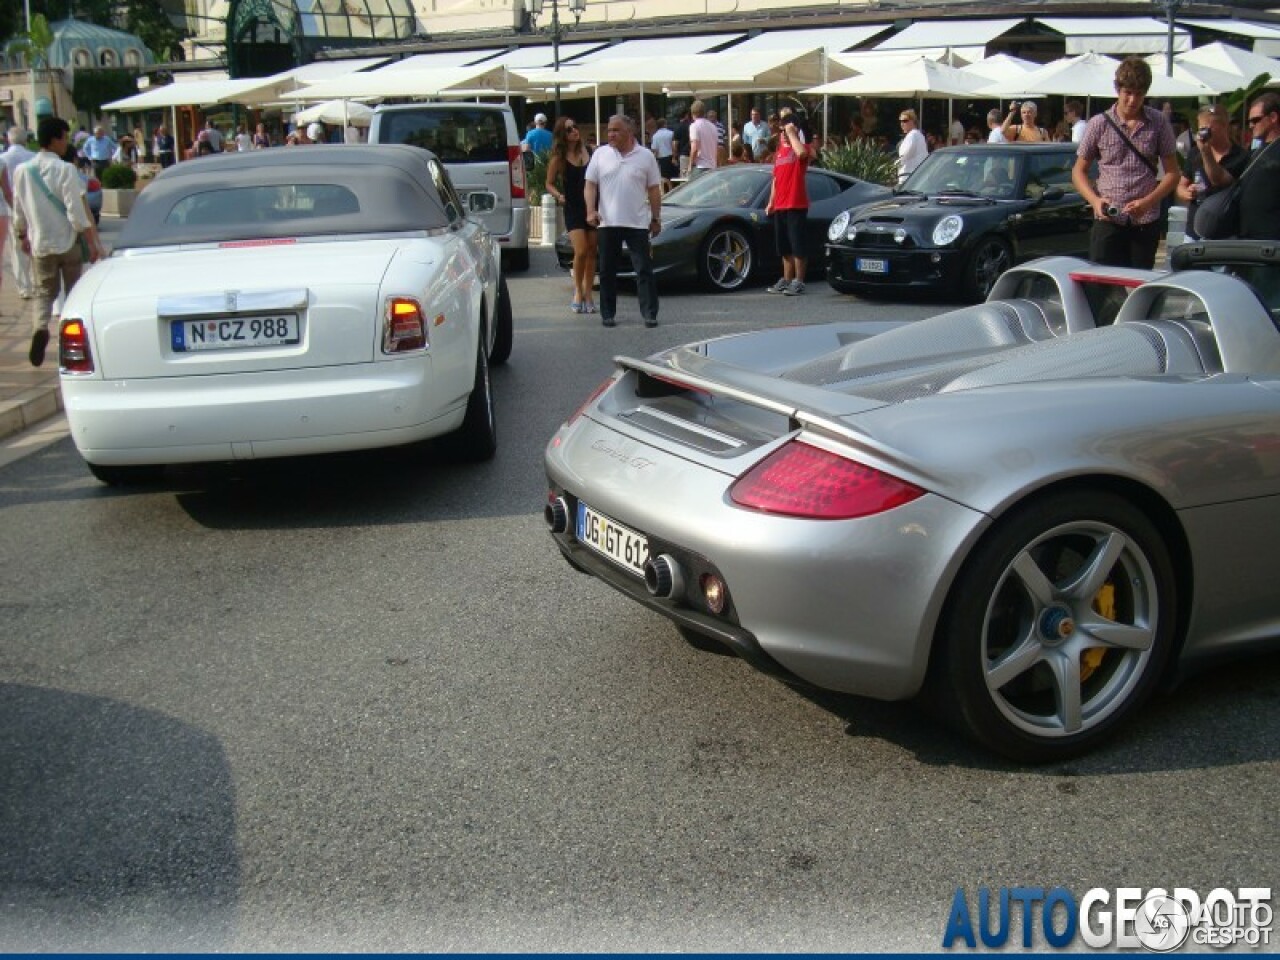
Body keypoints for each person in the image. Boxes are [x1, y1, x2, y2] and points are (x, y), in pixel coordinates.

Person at [11, 116, 104, 367]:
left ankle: (41, 327)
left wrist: (22, 235)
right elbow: (76, 211)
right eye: (64, 137)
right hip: (68, 243)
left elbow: (18, 209)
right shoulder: (66, 170)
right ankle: (69, 343)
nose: (66, 142)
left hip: (40, 243)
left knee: (44, 292)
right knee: (73, 293)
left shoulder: (22, 172)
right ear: (54, 139)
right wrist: (92, 242)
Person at [1072, 56, 1179, 269]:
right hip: (1108, 219)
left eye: (1138, 94)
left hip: (1144, 220)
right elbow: (1078, 172)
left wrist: (1148, 201)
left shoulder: (1158, 123)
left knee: (1139, 287)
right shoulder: (1098, 123)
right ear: (1117, 90)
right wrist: (1094, 201)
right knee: (1101, 285)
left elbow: (1173, 173)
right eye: (1127, 93)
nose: (1132, 100)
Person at [584, 114, 663, 328]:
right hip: (608, 222)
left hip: (636, 223)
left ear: (630, 133)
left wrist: (656, 218)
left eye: (616, 130)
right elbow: (590, 184)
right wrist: (590, 211)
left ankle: (649, 313)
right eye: (609, 130)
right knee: (608, 270)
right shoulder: (600, 154)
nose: (610, 134)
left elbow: (654, 189)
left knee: (643, 270)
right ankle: (607, 313)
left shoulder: (645, 156)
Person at [1200, 91, 1280, 241]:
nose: (1250, 125)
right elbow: (1220, 179)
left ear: (1273, 117)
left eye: (1256, 120)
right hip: (1245, 239)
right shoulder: (1253, 153)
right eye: (1249, 121)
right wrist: (1205, 152)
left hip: (1271, 243)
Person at [545, 116, 597, 315]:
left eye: (575, 127)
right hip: (573, 206)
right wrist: (558, 195)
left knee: (593, 250)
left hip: (592, 204)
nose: (574, 131)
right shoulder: (559, 158)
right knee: (581, 250)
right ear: (562, 135)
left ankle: (588, 292)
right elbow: (548, 182)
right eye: (568, 130)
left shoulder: (591, 151)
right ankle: (578, 290)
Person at [1176, 105, 1246, 240]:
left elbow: (1217, 180)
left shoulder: (1240, 156)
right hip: (1194, 231)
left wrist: (1206, 152)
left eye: (1208, 128)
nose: (1203, 133)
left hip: (1223, 233)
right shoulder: (1194, 153)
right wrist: (1187, 193)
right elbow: (1181, 186)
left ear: (1224, 126)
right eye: (1201, 128)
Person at [765, 106, 812, 297]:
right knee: (783, 246)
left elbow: (802, 153)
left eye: (785, 130)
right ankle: (786, 278)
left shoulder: (799, 148)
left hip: (796, 203)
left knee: (797, 244)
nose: (782, 134)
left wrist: (792, 133)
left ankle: (799, 280)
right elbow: (775, 179)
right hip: (781, 205)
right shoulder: (779, 153)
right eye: (782, 131)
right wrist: (771, 202)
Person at [2, 126, 36, 299]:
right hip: (32, 206)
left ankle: (24, 287)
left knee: (17, 248)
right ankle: (36, 280)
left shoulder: (3, 159)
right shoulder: (33, 157)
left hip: (11, 207)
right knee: (34, 245)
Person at [687, 100, 718, 180]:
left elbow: (694, 148)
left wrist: (690, 165)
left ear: (692, 113)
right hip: (712, 166)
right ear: (704, 113)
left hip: (700, 166)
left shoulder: (694, 126)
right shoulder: (713, 127)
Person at [897, 109, 928, 185]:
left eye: (905, 121)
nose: (902, 124)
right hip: (915, 175)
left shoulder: (913, 135)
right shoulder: (918, 134)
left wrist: (893, 165)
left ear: (912, 121)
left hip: (908, 176)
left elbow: (904, 155)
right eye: (901, 121)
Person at [650, 116, 676, 185]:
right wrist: (674, 157)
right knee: (673, 176)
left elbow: (654, 149)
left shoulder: (655, 136)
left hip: (662, 159)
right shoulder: (671, 133)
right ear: (665, 124)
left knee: (665, 178)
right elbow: (674, 145)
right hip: (671, 157)